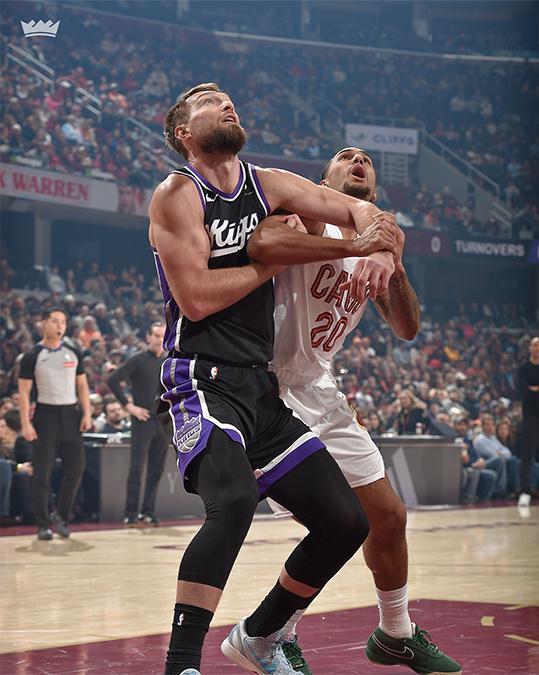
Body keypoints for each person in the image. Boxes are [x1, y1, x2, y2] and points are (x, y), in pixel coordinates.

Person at [153, 82, 399, 675]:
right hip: (201, 378)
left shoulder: (268, 183)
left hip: (261, 388)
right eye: (208, 101)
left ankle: (260, 635)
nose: (225, 102)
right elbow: (196, 298)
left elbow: (366, 212)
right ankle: (181, 664)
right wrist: (271, 264)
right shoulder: (177, 193)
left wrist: (380, 251)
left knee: (347, 522)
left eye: (228, 98)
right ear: (185, 132)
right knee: (234, 501)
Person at [248, 146, 461, 674]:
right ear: (324, 183)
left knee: (388, 517)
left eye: (364, 159)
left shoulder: (376, 245)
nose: (357, 160)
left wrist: (392, 259)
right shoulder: (309, 218)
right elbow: (269, 238)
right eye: (345, 157)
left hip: (321, 387)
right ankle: (273, 634)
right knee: (336, 523)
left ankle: (395, 633)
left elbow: (407, 327)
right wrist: (361, 242)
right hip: (269, 388)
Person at [18, 308, 92, 540]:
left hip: (71, 414)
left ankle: (61, 516)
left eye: (63, 322)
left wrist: (87, 413)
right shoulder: (33, 355)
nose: (60, 326)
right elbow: (23, 392)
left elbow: (82, 385)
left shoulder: (73, 351)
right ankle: (42, 524)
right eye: (55, 321)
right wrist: (25, 423)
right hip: (45, 415)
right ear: (43, 323)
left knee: (76, 469)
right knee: (42, 472)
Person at [107, 322, 169, 526]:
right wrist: (129, 407)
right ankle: (130, 512)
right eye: (156, 335)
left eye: (163, 335)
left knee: (156, 470)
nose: (159, 339)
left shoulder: (169, 362)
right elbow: (113, 380)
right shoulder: (138, 360)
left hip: (162, 423)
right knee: (136, 469)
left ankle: (148, 512)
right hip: (142, 422)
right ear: (148, 337)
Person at [516, 336, 539, 507]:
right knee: (528, 453)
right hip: (531, 415)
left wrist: (535, 389)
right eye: (535, 345)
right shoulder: (523, 369)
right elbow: (526, 393)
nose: (537, 348)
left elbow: (532, 392)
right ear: (530, 348)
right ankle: (525, 490)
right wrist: (533, 391)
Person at [454, 416, 500, 503]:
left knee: (491, 475)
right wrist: (471, 463)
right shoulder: (453, 439)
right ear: (454, 426)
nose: (462, 427)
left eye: (464, 425)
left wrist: (479, 460)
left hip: (473, 466)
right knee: (471, 472)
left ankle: (483, 502)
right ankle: (467, 500)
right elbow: (464, 460)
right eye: (459, 425)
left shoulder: (467, 439)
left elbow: (475, 454)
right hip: (462, 468)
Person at [473, 414, 520, 498]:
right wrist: (499, 453)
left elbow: (507, 452)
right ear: (482, 426)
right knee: (500, 459)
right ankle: (499, 491)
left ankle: (516, 489)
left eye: (492, 425)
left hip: (495, 460)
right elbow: (492, 454)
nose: (490, 427)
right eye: (487, 425)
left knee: (513, 460)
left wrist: (500, 453)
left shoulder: (493, 438)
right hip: (485, 463)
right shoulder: (480, 440)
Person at [0, 409, 34, 524]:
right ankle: (3, 513)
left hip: (9, 474)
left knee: (25, 474)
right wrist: (19, 467)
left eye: (5, 426)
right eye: (1, 426)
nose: (4, 429)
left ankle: (30, 513)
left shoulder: (7, 445)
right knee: (5, 466)